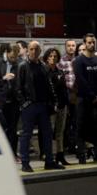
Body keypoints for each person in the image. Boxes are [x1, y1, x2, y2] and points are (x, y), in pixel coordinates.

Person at [16, 42, 60, 172]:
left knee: (47, 134)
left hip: (43, 105)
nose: (34, 51)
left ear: (40, 51)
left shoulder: (43, 66)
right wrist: (24, 104)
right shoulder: (23, 66)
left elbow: (48, 85)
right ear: (27, 51)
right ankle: (25, 163)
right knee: (26, 134)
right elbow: (18, 88)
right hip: (30, 105)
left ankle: (49, 161)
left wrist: (53, 102)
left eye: (36, 49)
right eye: (31, 49)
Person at [72, 41, 97, 163]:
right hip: (83, 99)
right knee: (81, 127)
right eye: (89, 42)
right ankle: (82, 155)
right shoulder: (78, 61)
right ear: (85, 43)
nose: (91, 44)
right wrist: (93, 95)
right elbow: (81, 80)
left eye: (93, 42)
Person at [43, 47, 70, 167]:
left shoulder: (60, 72)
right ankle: (50, 156)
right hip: (50, 107)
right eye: (50, 56)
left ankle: (60, 155)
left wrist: (65, 103)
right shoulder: (44, 72)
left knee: (60, 132)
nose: (53, 58)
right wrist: (51, 104)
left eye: (55, 56)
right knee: (50, 132)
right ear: (46, 58)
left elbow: (64, 89)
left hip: (62, 105)